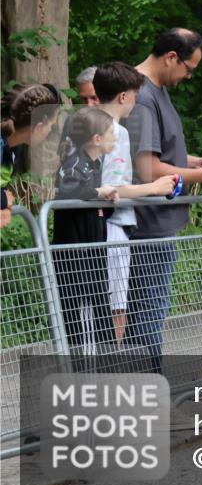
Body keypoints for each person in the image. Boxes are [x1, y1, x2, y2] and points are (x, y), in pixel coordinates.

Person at [124, 28, 202, 374]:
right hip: (148, 226)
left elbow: (161, 153)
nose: (188, 76)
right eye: (189, 68)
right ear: (171, 57)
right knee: (147, 318)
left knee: (150, 315)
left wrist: (193, 162)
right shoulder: (142, 96)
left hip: (160, 224)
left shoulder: (157, 92)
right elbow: (147, 167)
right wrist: (201, 177)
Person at [92, 62, 179, 343]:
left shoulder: (84, 123)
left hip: (92, 228)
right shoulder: (117, 131)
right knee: (117, 311)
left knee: (93, 310)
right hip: (115, 230)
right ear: (123, 97)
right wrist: (154, 187)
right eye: (133, 95)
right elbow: (113, 189)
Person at [51, 107, 120, 359]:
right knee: (72, 316)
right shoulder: (73, 163)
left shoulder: (95, 163)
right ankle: (76, 369)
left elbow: (93, 209)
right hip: (72, 256)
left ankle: (110, 366)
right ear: (97, 139)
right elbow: (68, 192)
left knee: (102, 310)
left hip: (93, 252)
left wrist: (106, 202)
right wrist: (98, 193)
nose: (116, 138)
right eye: (112, 133)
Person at [1, 83, 60, 228]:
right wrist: (3, 200)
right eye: (51, 126)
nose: (49, 132)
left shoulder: (11, 148)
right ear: (39, 126)